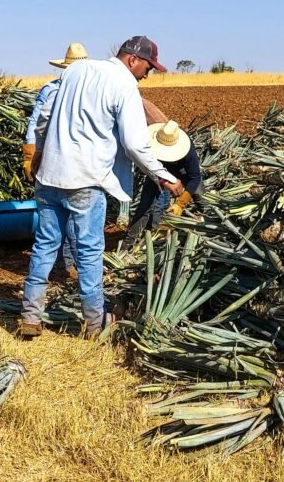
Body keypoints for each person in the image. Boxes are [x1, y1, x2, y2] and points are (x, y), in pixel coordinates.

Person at [18, 36, 184, 339]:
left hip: (50, 175)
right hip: (85, 178)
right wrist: (164, 176)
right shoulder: (124, 87)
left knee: (45, 245)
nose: (148, 74)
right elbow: (135, 145)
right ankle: (95, 323)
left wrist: (38, 153)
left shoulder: (74, 72)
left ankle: (30, 316)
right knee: (90, 250)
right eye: (148, 67)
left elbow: (43, 117)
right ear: (133, 59)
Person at [22, 42, 89, 180]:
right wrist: (30, 152)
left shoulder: (91, 90)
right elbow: (37, 120)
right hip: (52, 151)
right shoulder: (51, 89)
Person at [125, 121, 202, 241]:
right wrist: (163, 181)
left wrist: (180, 203)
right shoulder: (149, 143)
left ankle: (204, 225)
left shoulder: (187, 151)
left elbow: (195, 177)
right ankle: (130, 241)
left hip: (181, 171)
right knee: (146, 205)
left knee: (200, 196)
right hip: (157, 170)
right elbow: (145, 165)